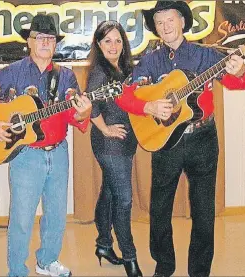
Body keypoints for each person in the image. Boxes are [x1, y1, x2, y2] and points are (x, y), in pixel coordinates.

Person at [116, 1, 245, 277]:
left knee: (204, 211)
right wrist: (149, 107)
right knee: (159, 209)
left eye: (170, 20)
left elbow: (239, 82)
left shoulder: (206, 56)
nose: (165, 27)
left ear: (182, 22)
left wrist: (240, 71)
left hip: (203, 138)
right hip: (166, 141)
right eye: (159, 22)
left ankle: (200, 272)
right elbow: (124, 95)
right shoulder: (150, 61)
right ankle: (164, 267)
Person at [0, 14, 92, 277]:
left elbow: (75, 115)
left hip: (59, 153)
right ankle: (16, 271)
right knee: (22, 220)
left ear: (56, 44)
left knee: (57, 216)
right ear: (30, 41)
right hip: (26, 157)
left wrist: (84, 113)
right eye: (40, 38)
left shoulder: (67, 77)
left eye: (51, 38)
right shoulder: (12, 73)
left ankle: (47, 261)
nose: (46, 43)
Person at [86, 20, 143, 277]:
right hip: (110, 145)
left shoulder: (122, 67)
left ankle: (103, 245)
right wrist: (105, 129)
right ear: (99, 44)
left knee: (109, 192)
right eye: (107, 40)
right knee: (124, 199)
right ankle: (130, 257)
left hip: (126, 141)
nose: (114, 45)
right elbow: (91, 106)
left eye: (118, 40)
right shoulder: (100, 72)